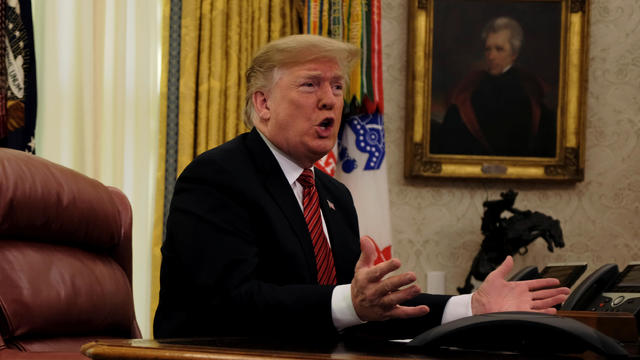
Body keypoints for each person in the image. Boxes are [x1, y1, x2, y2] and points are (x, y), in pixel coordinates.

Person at [153, 34, 569, 340]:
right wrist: (351, 304)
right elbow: (227, 306)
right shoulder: (218, 177)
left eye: (337, 86)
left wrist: (472, 307)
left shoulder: (333, 196)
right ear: (263, 104)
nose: (330, 100)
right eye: (310, 84)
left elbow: (370, 307)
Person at [432, 17, 556, 157]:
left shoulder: (528, 92)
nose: (491, 56)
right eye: (488, 49)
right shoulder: (472, 87)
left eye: (499, 49)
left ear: (514, 54)